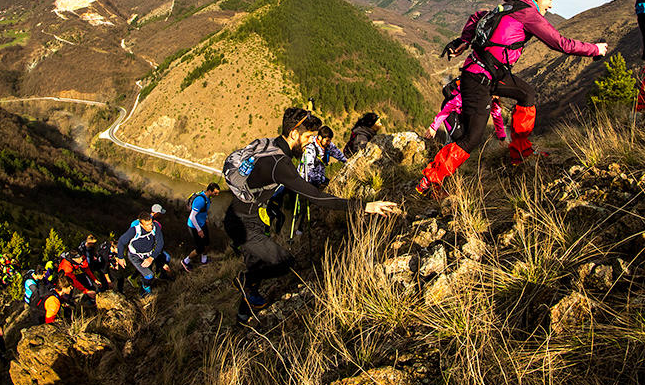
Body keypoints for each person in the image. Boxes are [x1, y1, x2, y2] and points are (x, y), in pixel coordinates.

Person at [419, 0, 606, 195]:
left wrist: (464, 40)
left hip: (489, 74)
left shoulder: (508, 7)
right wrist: (595, 49)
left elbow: (478, 15)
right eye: (549, 0)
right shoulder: (527, 14)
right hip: (480, 79)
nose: (550, 6)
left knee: (526, 93)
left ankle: (521, 152)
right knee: (472, 137)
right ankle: (430, 181)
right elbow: (560, 43)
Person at [222, 107, 399, 324]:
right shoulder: (281, 164)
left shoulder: (266, 144)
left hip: (241, 215)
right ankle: (244, 289)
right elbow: (317, 197)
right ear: (294, 134)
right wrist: (364, 206)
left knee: (255, 269)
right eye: (307, 137)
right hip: (246, 225)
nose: (309, 142)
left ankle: (242, 314)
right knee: (282, 262)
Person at [425, 87, 507, 145]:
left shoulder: (493, 101)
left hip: (462, 113)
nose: (497, 97)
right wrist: (434, 127)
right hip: (450, 110)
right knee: (457, 138)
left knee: (467, 139)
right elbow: (450, 107)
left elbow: (497, 117)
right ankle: (443, 158)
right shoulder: (474, 92)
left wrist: (502, 138)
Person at [116, 213, 171, 294]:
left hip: (149, 255)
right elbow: (121, 241)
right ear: (141, 224)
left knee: (146, 274)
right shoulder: (134, 230)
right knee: (149, 275)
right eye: (147, 225)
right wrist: (120, 257)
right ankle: (146, 288)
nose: (150, 227)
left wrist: (151, 258)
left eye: (151, 224)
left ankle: (142, 291)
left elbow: (160, 243)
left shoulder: (155, 226)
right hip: (135, 256)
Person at [183, 183, 221, 271]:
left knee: (207, 243)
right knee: (200, 248)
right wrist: (199, 230)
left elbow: (203, 211)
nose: (217, 195)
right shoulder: (200, 200)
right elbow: (192, 217)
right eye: (215, 193)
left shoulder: (207, 198)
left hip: (202, 223)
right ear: (210, 191)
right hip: (194, 226)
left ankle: (204, 261)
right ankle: (185, 262)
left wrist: (206, 218)